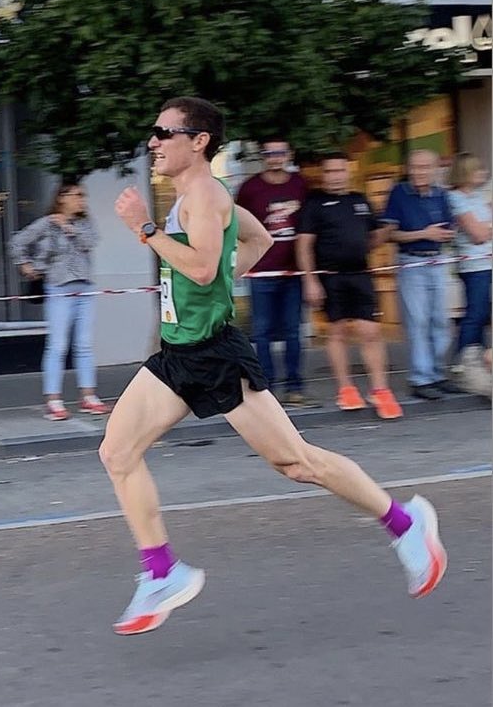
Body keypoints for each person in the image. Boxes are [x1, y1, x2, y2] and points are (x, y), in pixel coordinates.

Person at [102, 96, 446, 636]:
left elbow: (198, 268)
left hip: (213, 353)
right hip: (178, 353)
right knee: (117, 452)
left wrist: (145, 230)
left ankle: (407, 524)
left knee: (296, 463)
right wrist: (215, 281)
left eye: (164, 132)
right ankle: (162, 572)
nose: (153, 141)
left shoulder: (206, 195)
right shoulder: (193, 197)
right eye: (154, 132)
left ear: (198, 142)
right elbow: (259, 238)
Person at [296, 153, 402, 419]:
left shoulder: (360, 200)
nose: (335, 176)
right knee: (338, 332)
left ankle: (380, 390)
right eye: (330, 171)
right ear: (324, 174)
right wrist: (310, 280)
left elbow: (372, 238)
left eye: (340, 170)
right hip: (331, 276)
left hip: (361, 275)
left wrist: (387, 230)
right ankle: (346, 388)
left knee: (371, 332)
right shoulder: (314, 204)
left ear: (348, 171)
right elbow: (304, 245)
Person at [10, 180, 109, 421]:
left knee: (84, 344)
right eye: (76, 195)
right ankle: (53, 400)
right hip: (59, 287)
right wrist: (26, 266)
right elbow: (18, 242)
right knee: (58, 345)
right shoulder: (46, 224)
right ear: (62, 198)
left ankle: (88, 396)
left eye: (82, 196)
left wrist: (70, 229)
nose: (81, 200)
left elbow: (90, 243)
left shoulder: (84, 223)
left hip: (84, 287)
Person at [236, 138, 310, 405]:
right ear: (263, 156)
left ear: (288, 155)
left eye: (280, 153)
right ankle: (265, 386)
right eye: (270, 153)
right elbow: (238, 225)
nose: (275, 157)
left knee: (293, 331)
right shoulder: (250, 188)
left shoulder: (301, 184)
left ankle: (294, 387)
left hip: (293, 272)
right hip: (261, 272)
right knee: (262, 331)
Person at [382, 150, 455, 400]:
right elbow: (390, 234)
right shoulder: (399, 193)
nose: (419, 172)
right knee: (418, 321)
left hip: (437, 260)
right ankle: (420, 378)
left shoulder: (441, 195)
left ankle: (437, 374)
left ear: (435, 169)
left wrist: (445, 235)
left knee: (440, 321)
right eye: (415, 167)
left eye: (425, 167)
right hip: (412, 262)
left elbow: (448, 226)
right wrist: (423, 234)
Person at [446, 152, 491, 364]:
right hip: (474, 264)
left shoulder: (477, 196)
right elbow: (478, 234)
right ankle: (463, 361)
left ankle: (477, 358)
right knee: (476, 313)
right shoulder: (456, 198)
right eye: (478, 169)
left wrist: (486, 227)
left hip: (486, 260)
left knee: (482, 314)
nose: (483, 173)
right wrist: (487, 227)